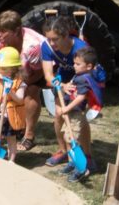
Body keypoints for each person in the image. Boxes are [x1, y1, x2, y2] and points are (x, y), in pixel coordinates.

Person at [0, 10, 46, 153]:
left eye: (3, 31)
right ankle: (12, 128)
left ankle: (29, 135)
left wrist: (23, 84)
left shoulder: (32, 46)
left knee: (30, 93)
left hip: (39, 68)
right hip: (14, 69)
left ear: (16, 31)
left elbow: (40, 71)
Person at [42, 16, 90, 167]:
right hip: (61, 81)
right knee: (59, 115)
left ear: (65, 35)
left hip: (81, 81)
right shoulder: (47, 46)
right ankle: (63, 150)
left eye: (55, 39)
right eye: (48, 38)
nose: (51, 43)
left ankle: (87, 155)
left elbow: (90, 73)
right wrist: (62, 86)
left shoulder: (81, 48)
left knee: (79, 118)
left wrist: (75, 86)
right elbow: (48, 75)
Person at [51, 46, 101, 182]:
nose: (74, 66)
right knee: (68, 137)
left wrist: (66, 108)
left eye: (78, 64)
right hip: (70, 113)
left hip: (75, 113)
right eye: (74, 63)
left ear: (89, 66)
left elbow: (81, 97)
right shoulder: (79, 76)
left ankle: (82, 168)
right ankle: (73, 162)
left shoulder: (84, 79)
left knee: (73, 139)